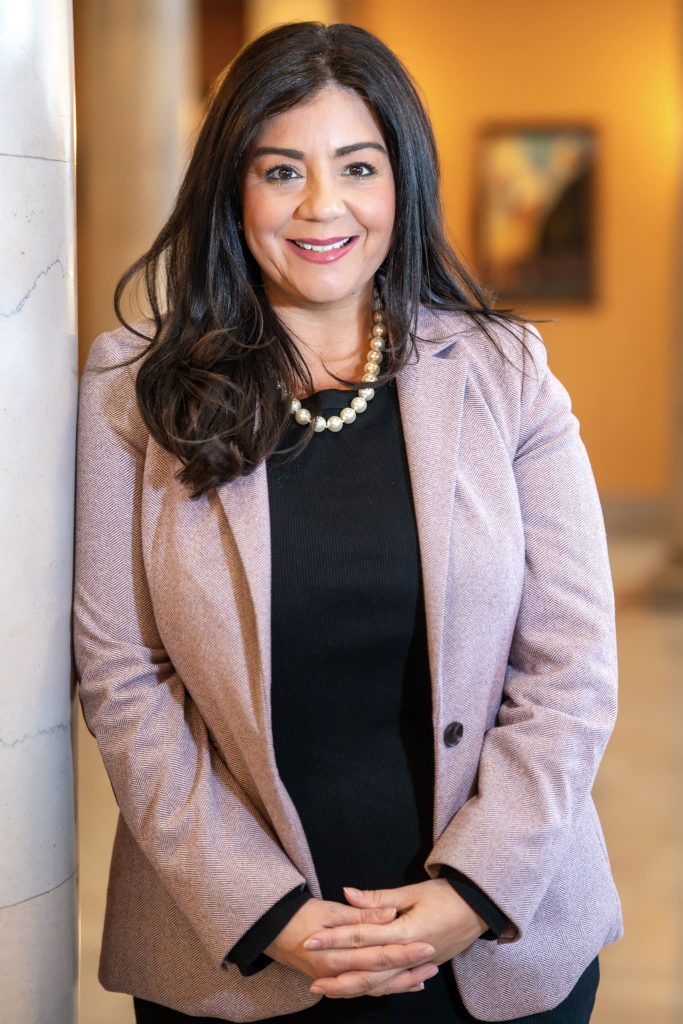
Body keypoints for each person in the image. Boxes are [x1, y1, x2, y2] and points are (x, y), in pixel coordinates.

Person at [72, 20, 623, 1024]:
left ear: (399, 184)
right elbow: (122, 678)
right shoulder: (132, 388)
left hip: (486, 954)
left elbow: (571, 666)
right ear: (230, 190)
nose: (321, 205)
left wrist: (470, 894)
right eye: (280, 169)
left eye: (356, 166)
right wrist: (265, 909)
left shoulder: (505, 372)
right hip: (234, 953)